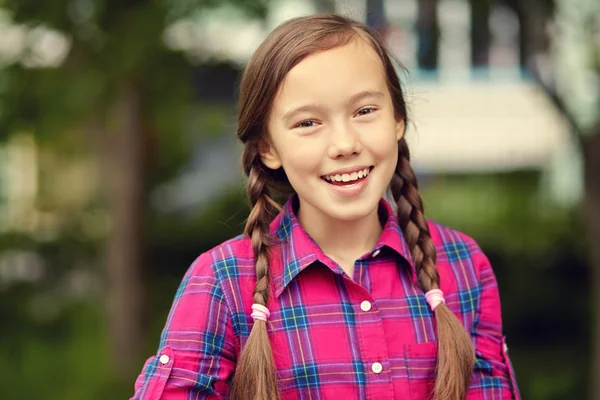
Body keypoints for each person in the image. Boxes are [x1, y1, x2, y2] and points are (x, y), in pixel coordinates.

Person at [130, 14, 520, 400]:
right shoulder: (223, 282)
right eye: (308, 123)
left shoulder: (464, 265)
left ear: (398, 119)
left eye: (365, 111)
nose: (344, 143)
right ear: (267, 147)